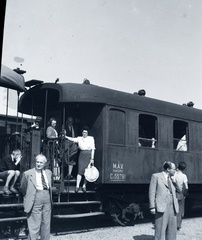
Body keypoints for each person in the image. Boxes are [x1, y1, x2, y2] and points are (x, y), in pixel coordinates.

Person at [20, 154, 52, 240]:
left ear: (44, 163)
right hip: (35, 198)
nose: (38, 164)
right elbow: (23, 188)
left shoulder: (48, 173)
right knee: (34, 223)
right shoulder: (27, 173)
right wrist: (28, 197)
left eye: (41, 162)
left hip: (47, 198)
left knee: (46, 223)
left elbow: (49, 186)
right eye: (37, 162)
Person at [149, 161, 179, 240]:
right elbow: (152, 192)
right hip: (161, 205)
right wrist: (152, 206)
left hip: (173, 205)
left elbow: (179, 191)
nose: (175, 171)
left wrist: (174, 180)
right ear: (168, 169)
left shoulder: (172, 179)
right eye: (174, 169)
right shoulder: (156, 176)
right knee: (160, 229)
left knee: (172, 230)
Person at [65, 126, 95, 193]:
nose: (84, 134)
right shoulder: (79, 138)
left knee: (87, 172)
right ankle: (77, 186)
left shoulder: (91, 138)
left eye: (86, 132)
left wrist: (92, 159)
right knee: (80, 171)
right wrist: (66, 137)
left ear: (87, 133)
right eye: (83, 132)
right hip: (81, 155)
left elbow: (93, 149)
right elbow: (73, 139)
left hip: (88, 155)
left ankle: (84, 186)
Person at [172, 161, 188, 230]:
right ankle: (178, 226)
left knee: (173, 209)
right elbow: (186, 187)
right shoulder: (184, 176)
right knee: (180, 210)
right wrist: (184, 194)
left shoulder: (174, 174)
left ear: (178, 167)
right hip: (181, 193)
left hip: (174, 193)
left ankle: (172, 224)